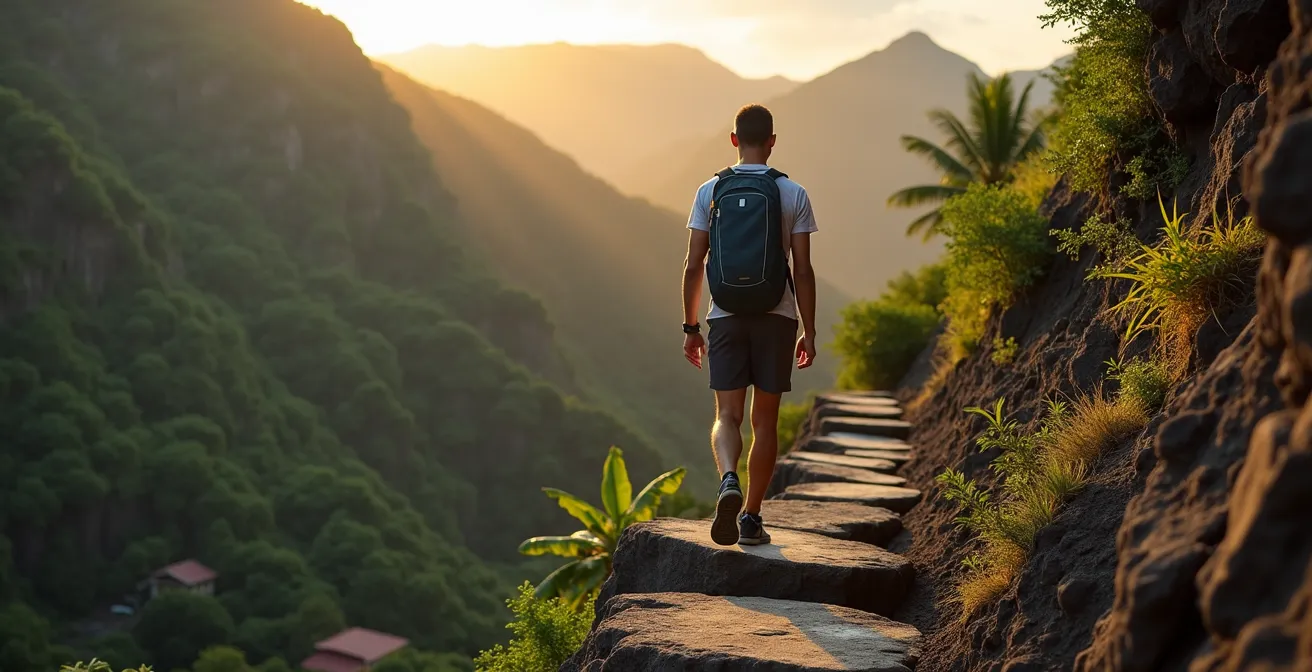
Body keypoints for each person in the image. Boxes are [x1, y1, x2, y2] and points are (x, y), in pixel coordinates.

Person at [681, 103, 818, 546]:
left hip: (725, 316)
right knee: (765, 422)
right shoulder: (792, 192)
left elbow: (692, 264)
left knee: (727, 415)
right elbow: (802, 271)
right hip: (776, 317)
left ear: (734, 139)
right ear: (773, 141)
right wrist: (809, 331)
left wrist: (690, 328)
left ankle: (727, 480)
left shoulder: (710, 191)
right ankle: (751, 519)